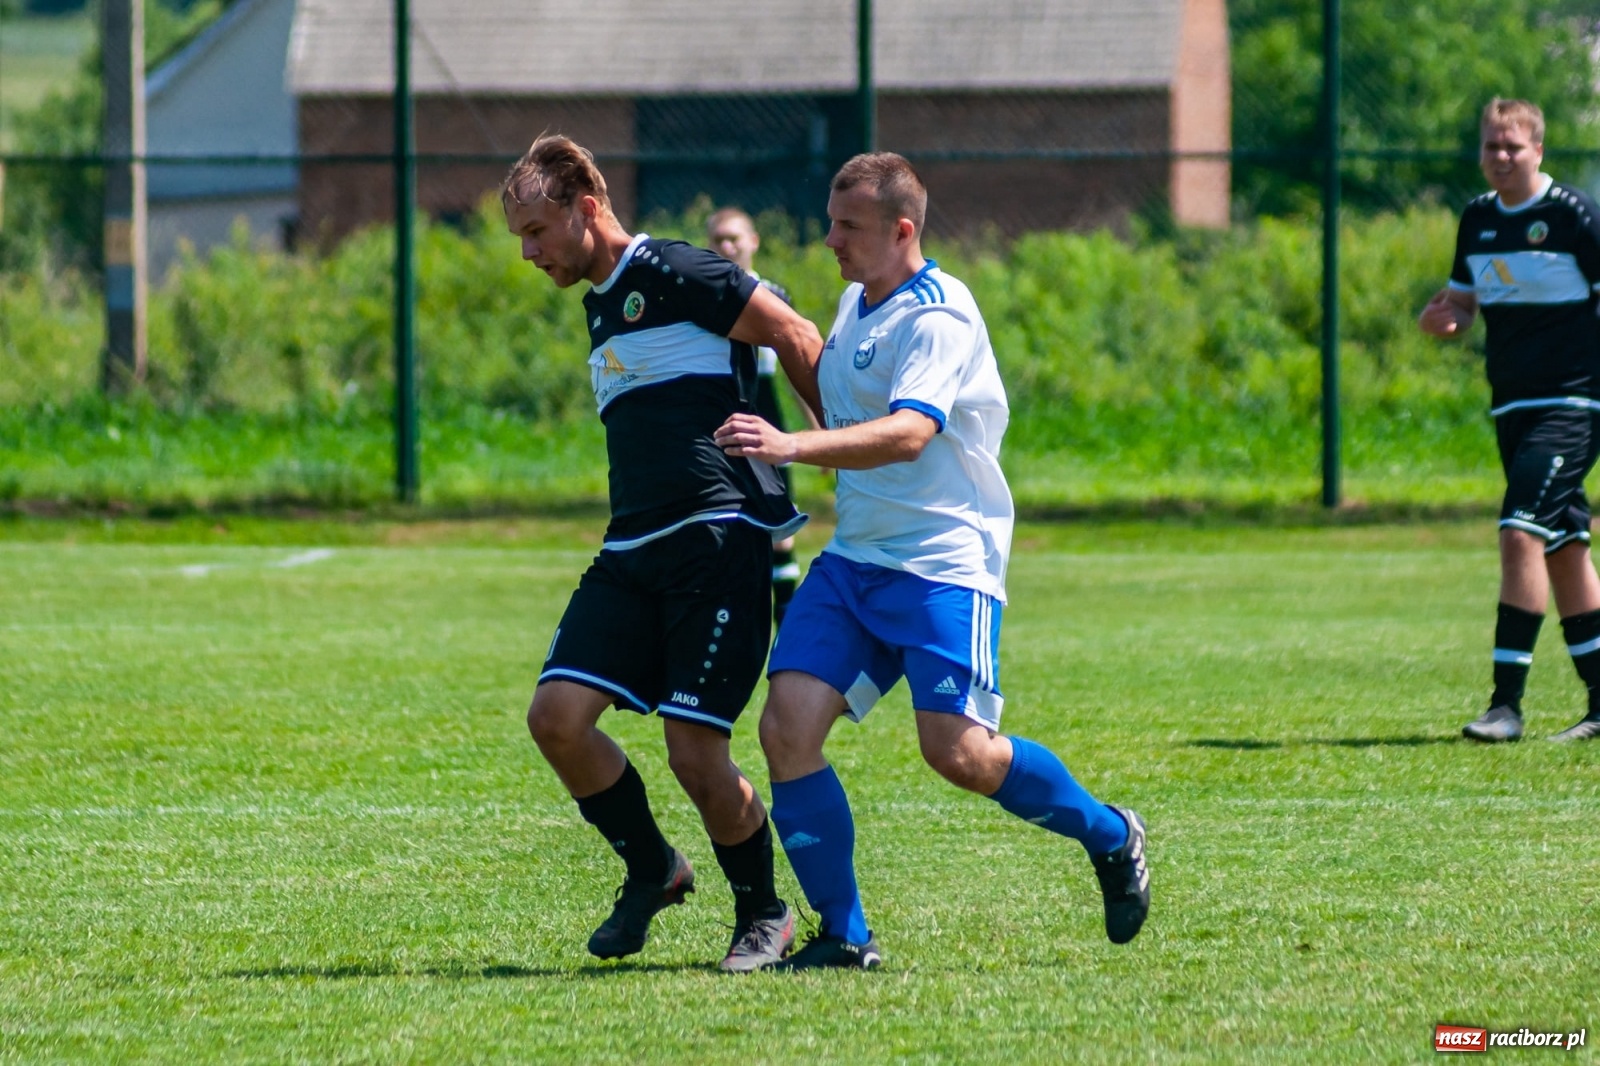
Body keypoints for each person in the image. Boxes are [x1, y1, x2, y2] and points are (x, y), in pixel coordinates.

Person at [713, 153, 1150, 970]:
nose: (831, 238)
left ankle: (1111, 832)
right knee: (786, 729)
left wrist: (789, 446)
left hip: (944, 563)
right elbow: (840, 403)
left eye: (849, 226)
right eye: (831, 219)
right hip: (854, 563)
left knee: (960, 755)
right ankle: (845, 936)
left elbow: (911, 432)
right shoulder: (853, 301)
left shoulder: (939, 315)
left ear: (902, 230)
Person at [501, 134, 825, 970]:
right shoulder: (600, 300)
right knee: (557, 720)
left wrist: (828, 447)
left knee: (694, 750)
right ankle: (654, 869)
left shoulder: (676, 271)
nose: (530, 254)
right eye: (520, 239)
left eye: (537, 231)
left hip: (715, 541)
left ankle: (764, 911)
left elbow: (792, 329)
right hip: (632, 548)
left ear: (586, 208)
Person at [1419, 98, 1600, 744]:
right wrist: (1446, 320)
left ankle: (1506, 706)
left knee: (1518, 531)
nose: (1500, 157)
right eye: (1491, 146)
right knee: (1563, 545)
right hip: (1512, 406)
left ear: (1538, 151)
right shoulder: (1477, 219)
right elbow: (1463, 303)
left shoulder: (1574, 215)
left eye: (1512, 147)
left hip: (1573, 405)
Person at [706, 207, 810, 626]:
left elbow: (797, 370)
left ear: (754, 242)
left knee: (779, 534)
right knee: (723, 532)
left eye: (734, 237)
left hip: (766, 422)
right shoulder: (700, 295)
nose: (727, 246)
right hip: (718, 426)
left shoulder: (774, 296)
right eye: (718, 239)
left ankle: (788, 628)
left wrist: (821, 433)